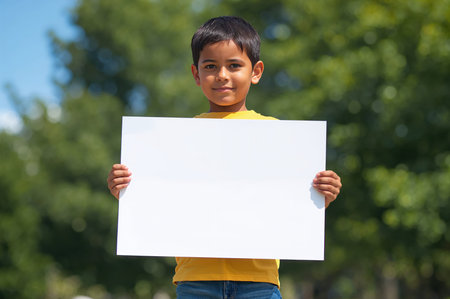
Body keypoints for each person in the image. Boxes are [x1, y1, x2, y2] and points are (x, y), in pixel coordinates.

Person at [107, 16, 342, 299]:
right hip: (195, 282)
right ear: (196, 74)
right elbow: (160, 202)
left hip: (259, 282)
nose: (222, 75)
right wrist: (128, 192)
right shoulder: (174, 141)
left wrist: (321, 197)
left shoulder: (277, 136)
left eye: (234, 65)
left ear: (256, 71)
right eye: (210, 66)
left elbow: (289, 206)